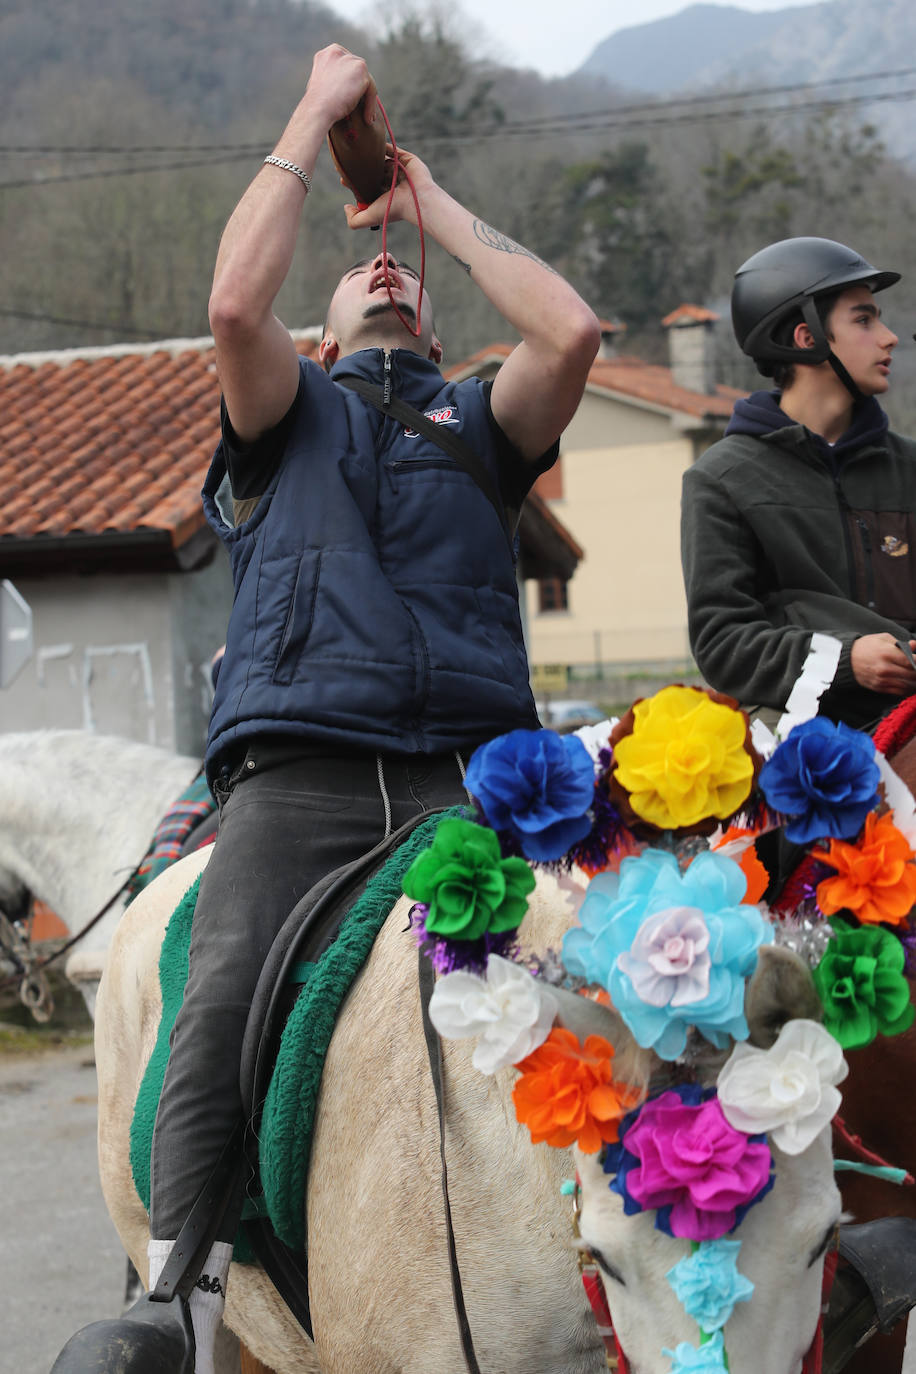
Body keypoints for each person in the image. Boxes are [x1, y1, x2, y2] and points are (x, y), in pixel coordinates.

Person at [99, 42, 598, 1374]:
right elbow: (231, 305)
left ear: (434, 328)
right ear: (319, 336)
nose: (385, 275)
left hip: (479, 780)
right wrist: (314, 113)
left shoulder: (484, 427)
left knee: (626, 962)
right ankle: (178, 1293)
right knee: (215, 995)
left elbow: (570, 331)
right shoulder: (283, 408)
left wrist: (423, 202)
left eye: (404, 279)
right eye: (361, 273)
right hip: (301, 779)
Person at [681, 235, 916, 733]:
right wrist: (845, 661)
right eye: (864, 320)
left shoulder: (911, 468)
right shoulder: (720, 479)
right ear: (805, 337)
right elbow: (723, 646)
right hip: (795, 734)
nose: (889, 337)